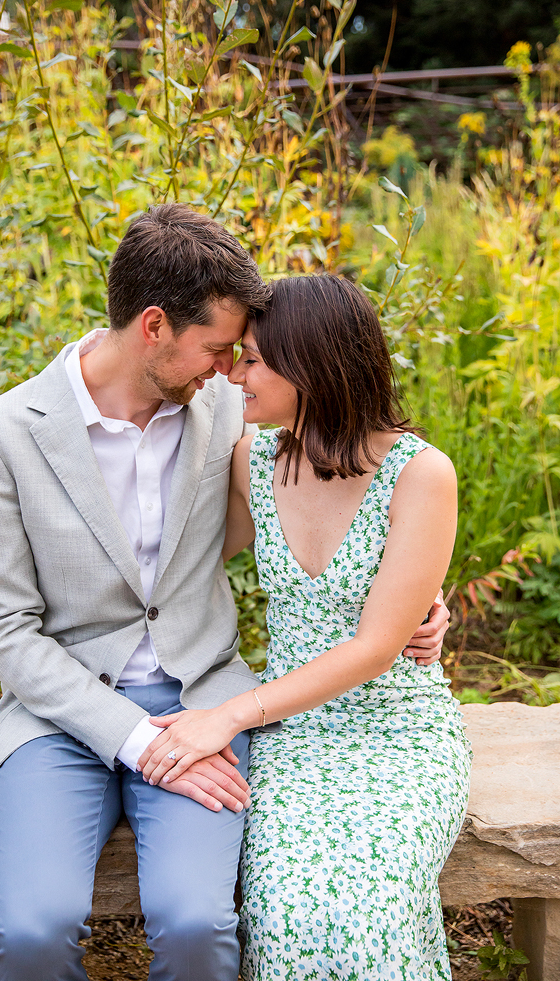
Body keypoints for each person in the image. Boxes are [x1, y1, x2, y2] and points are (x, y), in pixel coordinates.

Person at [0, 207, 449, 981]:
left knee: (196, 924)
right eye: (219, 350)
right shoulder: (2, 434)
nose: (228, 369)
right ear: (154, 325)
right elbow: (3, 626)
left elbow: (353, 487)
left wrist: (419, 602)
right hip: (59, 715)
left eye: (238, 356)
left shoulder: (232, 409)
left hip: (202, 697)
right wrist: (141, 739)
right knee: (32, 931)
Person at [138, 273, 472, 980]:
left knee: (372, 908)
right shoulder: (251, 461)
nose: (235, 374)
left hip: (396, 728)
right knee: (285, 901)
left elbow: (378, 646)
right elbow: (177, 569)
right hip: (295, 731)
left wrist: (227, 716)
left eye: (253, 358)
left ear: (314, 363)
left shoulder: (420, 474)